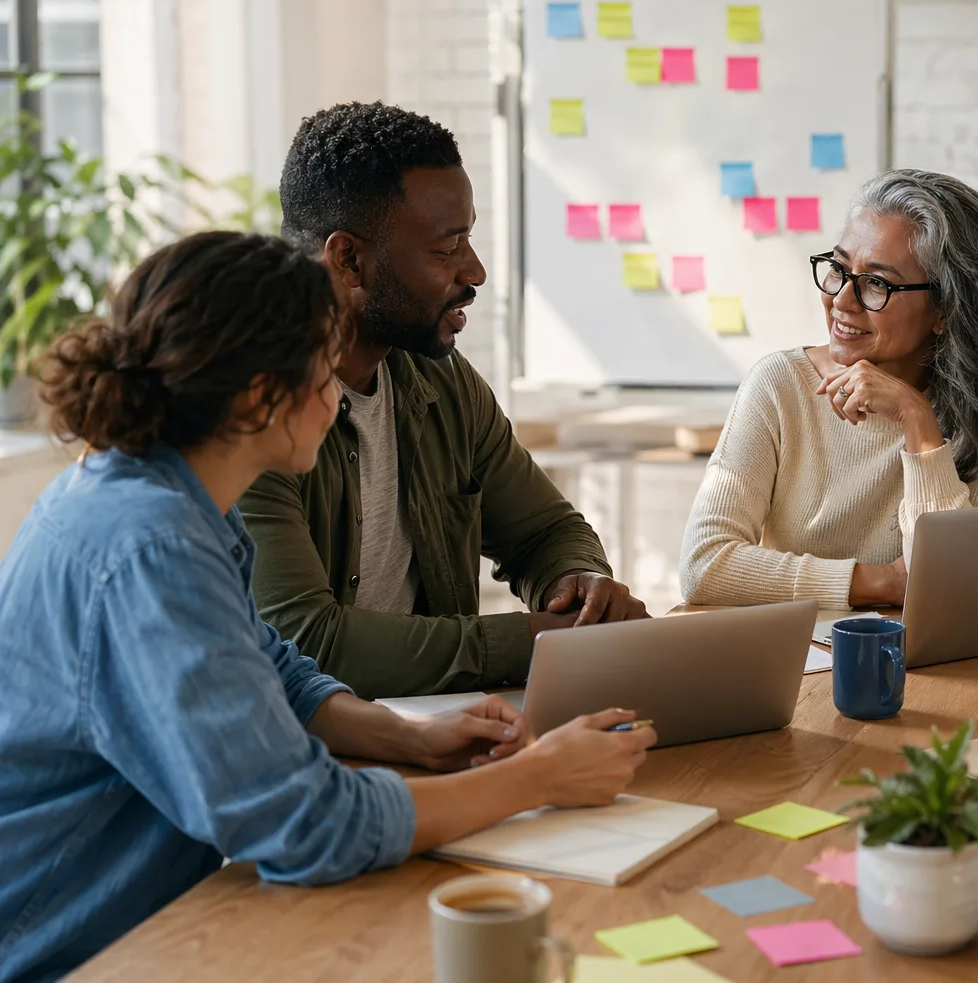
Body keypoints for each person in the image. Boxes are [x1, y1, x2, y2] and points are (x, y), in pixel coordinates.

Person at [0, 232, 656, 983]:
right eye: (324, 362)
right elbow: (305, 824)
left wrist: (409, 736)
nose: (340, 388)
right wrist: (539, 777)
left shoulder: (160, 491)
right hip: (66, 952)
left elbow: (266, 663)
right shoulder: (154, 548)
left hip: (154, 920)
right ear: (257, 396)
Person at [241, 102, 645, 700]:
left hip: (427, 730)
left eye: (469, 238)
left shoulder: (442, 381)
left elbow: (543, 531)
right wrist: (538, 640)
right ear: (348, 259)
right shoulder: (253, 411)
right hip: (314, 748)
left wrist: (577, 587)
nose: (475, 271)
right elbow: (305, 641)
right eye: (446, 247)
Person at [679, 168, 978, 610]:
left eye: (876, 282)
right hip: (800, 668)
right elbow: (704, 565)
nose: (841, 300)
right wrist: (880, 583)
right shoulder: (780, 386)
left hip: (943, 667)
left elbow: (963, 592)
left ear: (946, 309)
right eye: (839, 268)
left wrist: (917, 420)